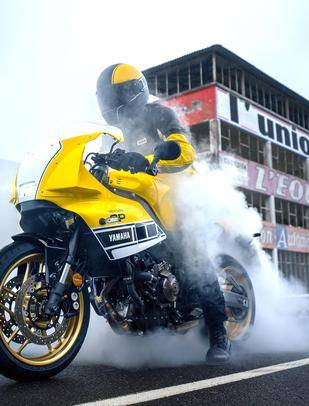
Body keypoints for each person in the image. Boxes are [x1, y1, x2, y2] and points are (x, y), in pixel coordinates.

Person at [96, 63, 231, 364]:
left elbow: (185, 151)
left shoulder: (158, 115)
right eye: (106, 97)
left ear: (133, 91)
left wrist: (149, 159)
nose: (112, 103)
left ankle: (219, 333)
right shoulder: (112, 135)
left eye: (116, 95)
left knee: (192, 255)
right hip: (139, 201)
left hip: (178, 192)